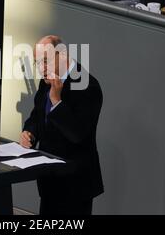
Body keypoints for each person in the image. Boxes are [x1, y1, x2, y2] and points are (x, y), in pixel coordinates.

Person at [20, 35, 103, 215]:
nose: (41, 68)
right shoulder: (47, 82)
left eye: (45, 61)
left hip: (75, 184)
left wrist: (56, 101)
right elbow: (37, 115)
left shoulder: (88, 86)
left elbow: (77, 134)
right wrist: (29, 132)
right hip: (49, 180)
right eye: (37, 63)